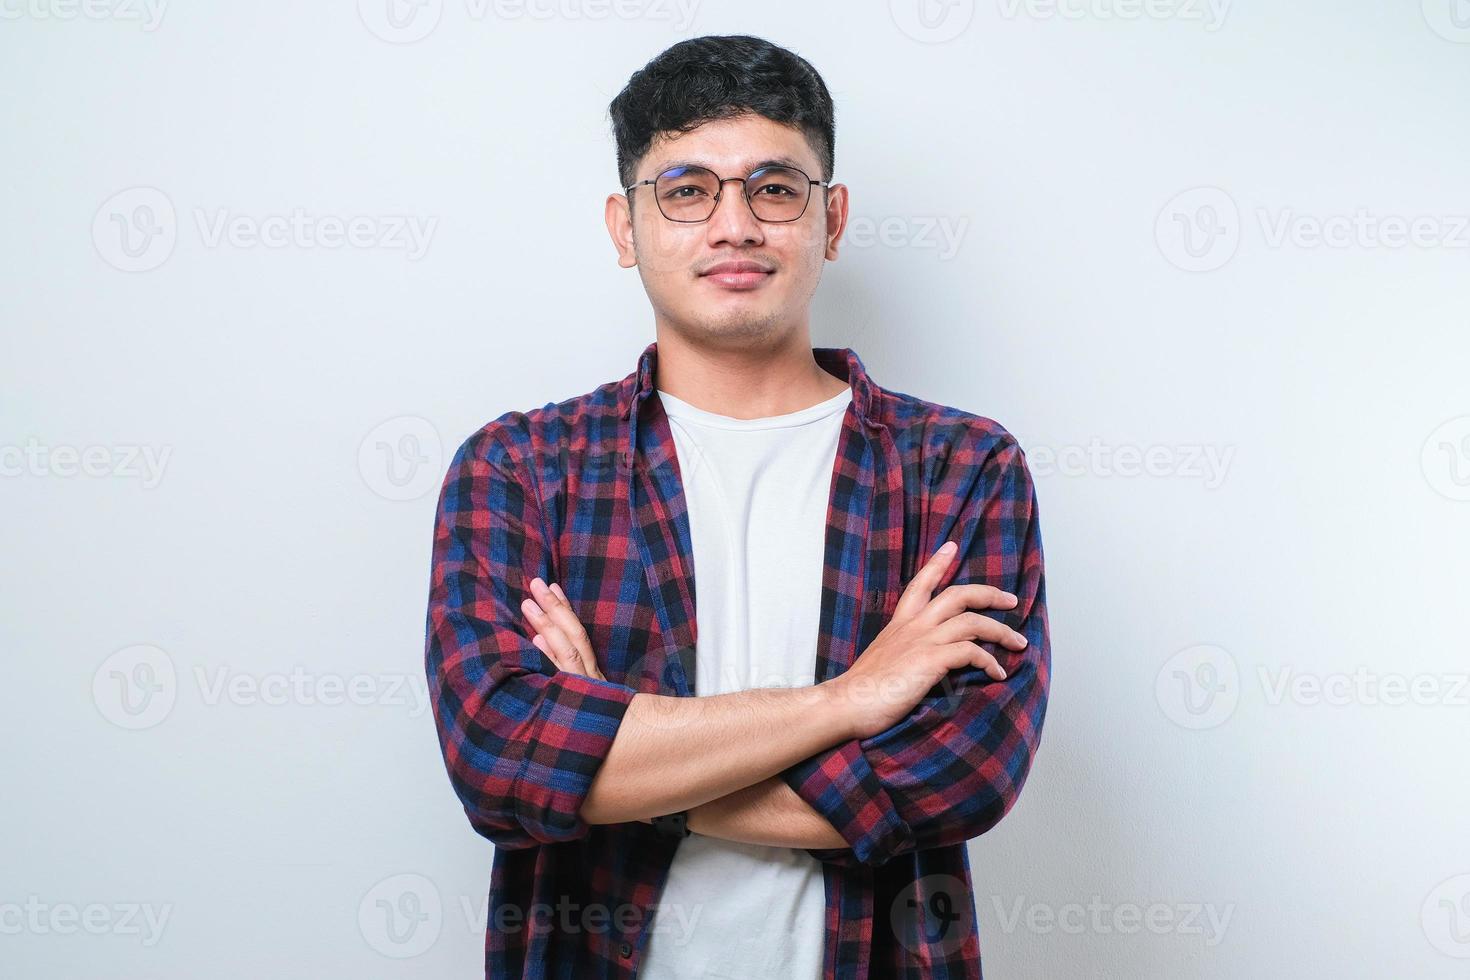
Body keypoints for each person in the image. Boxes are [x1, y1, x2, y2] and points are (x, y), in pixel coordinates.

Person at [424, 34, 1051, 980]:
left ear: (831, 219)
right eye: (686, 190)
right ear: (624, 225)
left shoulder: (960, 471)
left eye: (774, 188)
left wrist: (611, 758)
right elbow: (498, 755)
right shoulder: (521, 470)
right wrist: (852, 701)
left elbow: (961, 775)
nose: (735, 226)